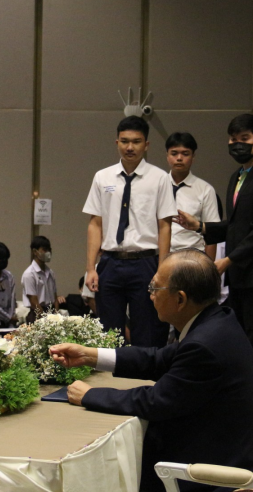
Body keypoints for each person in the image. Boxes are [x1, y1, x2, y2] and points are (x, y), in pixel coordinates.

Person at [49, 250, 253, 492]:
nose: (150, 295)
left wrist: (90, 395)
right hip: (228, 454)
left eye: (155, 288)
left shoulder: (204, 344)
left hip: (220, 476)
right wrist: (89, 355)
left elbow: (155, 401)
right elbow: (156, 359)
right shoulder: (217, 321)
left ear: (180, 299)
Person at [175, 113, 253, 342]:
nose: (237, 144)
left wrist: (227, 261)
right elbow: (237, 224)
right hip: (239, 276)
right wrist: (200, 226)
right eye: (233, 139)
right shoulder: (237, 176)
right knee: (238, 337)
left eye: (244, 138)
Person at [84, 116, 178, 348]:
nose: (130, 147)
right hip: (110, 262)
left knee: (148, 331)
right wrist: (90, 268)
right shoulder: (102, 177)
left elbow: (165, 225)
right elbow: (95, 223)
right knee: (107, 334)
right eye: (125, 141)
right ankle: (111, 373)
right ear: (117, 142)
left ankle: (147, 372)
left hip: (146, 262)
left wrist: (162, 269)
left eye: (136, 142)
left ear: (146, 145)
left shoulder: (160, 178)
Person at [165, 132, 220, 259]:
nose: (179, 158)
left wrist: (209, 266)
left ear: (193, 157)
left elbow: (212, 232)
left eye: (185, 154)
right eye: (174, 153)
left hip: (192, 256)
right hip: (159, 255)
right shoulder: (156, 185)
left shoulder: (205, 189)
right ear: (167, 155)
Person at [21, 236, 64, 323]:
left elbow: (55, 298)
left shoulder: (50, 272)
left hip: (51, 312)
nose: (48, 252)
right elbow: (34, 302)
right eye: (44, 249)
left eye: (49, 250)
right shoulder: (29, 274)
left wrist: (56, 316)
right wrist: (46, 320)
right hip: (37, 315)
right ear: (35, 252)